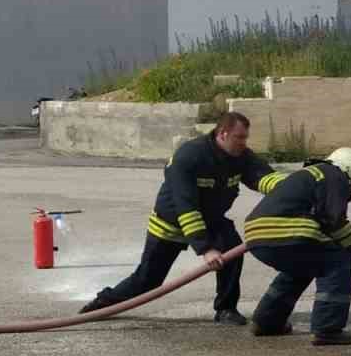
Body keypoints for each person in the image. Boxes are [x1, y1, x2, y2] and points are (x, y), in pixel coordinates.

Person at [80, 111, 285, 323]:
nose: (244, 143)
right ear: (223, 134)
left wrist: (292, 188)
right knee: (147, 281)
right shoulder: (189, 156)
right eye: (239, 137)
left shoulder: (240, 156)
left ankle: (226, 309)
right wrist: (206, 249)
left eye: (245, 138)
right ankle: (103, 304)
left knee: (232, 250)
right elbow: (185, 206)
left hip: (212, 220)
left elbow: (264, 177)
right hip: (172, 222)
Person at [243, 146, 351, 347]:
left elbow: (325, 222)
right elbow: (334, 222)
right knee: (340, 258)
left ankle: (267, 322)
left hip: (257, 234)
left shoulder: (313, 174)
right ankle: (328, 329)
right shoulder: (334, 176)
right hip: (287, 231)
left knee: (302, 267)